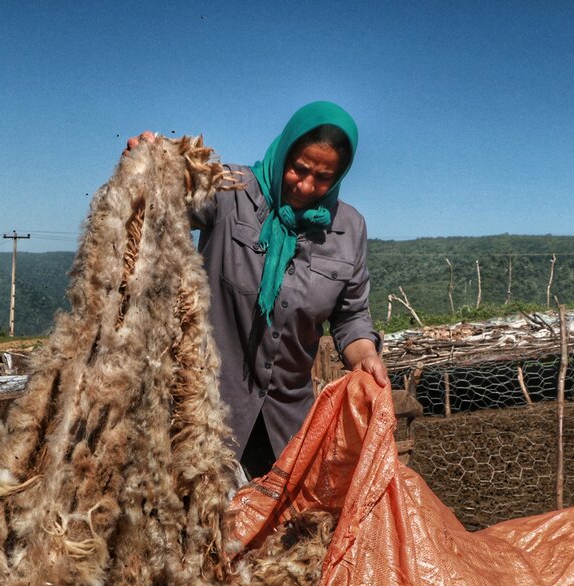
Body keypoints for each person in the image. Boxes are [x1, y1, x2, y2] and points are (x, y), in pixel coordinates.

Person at [131, 101, 387, 478]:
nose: (306, 186)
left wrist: (364, 354)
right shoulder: (230, 190)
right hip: (206, 415)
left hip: (288, 426)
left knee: (284, 531)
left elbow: (350, 315)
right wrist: (150, 166)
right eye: (299, 169)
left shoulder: (348, 228)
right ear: (284, 151)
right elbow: (170, 197)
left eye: (323, 177)